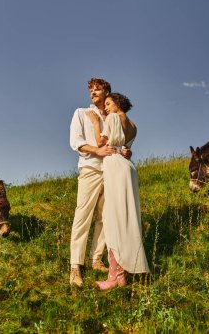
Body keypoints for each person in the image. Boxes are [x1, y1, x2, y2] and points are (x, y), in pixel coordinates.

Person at [69, 79, 131, 287]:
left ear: (107, 92)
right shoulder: (81, 113)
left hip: (112, 170)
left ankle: (96, 259)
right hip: (91, 169)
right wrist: (96, 150)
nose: (93, 92)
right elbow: (75, 142)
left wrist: (126, 151)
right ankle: (75, 266)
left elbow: (123, 142)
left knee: (106, 218)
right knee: (83, 215)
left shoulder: (114, 115)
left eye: (98, 89)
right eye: (91, 90)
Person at [88, 92, 149, 291]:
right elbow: (126, 148)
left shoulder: (113, 118)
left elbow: (100, 143)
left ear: (118, 103)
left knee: (113, 218)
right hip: (128, 167)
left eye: (108, 103)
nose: (105, 108)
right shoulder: (134, 125)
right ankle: (122, 271)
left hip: (114, 166)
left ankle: (116, 276)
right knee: (127, 217)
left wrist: (97, 122)